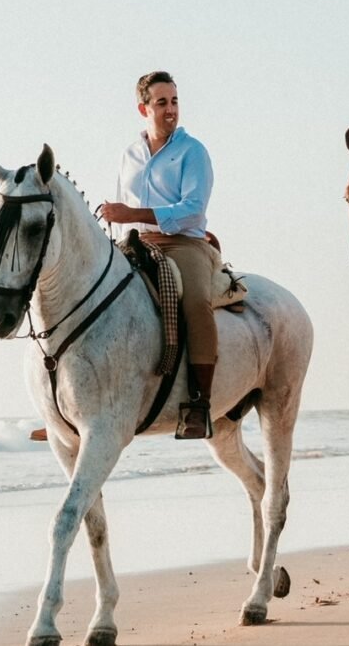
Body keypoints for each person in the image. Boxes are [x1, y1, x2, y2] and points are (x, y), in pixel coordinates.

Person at [100, 71, 218, 439]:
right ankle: (77, 403)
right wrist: (117, 241)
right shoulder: (129, 155)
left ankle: (199, 403)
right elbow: (120, 213)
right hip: (134, 241)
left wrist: (133, 215)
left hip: (183, 242)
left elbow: (192, 209)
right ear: (143, 108)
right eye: (162, 102)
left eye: (175, 101)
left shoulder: (193, 151)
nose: (171, 110)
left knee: (197, 302)